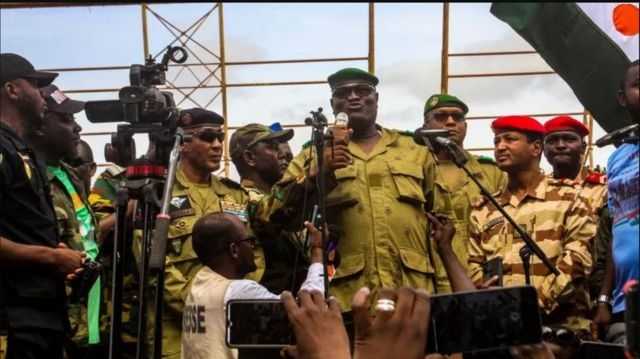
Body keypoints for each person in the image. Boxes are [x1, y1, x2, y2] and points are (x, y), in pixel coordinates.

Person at [256, 68, 438, 315]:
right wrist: (318, 173)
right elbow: (269, 215)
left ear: (376, 99)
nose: (354, 97)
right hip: (344, 299)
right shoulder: (313, 154)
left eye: (363, 91)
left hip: (411, 296)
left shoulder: (414, 152)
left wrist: (448, 296)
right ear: (333, 104)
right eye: (343, 93)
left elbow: (440, 227)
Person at [467, 116, 596, 338]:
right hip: (502, 331)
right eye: (497, 141)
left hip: (560, 332)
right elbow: (474, 265)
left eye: (510, 139)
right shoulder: (484, 209)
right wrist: (497, 308)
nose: (500, 146)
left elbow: (576, 262)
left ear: (536, 148)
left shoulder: (570, 198)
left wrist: (529, 307)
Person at [136, 108, 249, 359]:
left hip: (232, 321)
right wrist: (202, 301)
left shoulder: (234, 195)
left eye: (220, 137)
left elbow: (254, 252)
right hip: (179, 327)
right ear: (183, 144)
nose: (218, 145)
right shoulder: (158, 194)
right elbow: (151, 260)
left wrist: (241, 298)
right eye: (208, 137)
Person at [0, 53, 85, 359]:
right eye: (36, 86)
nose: (43, 97)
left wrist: (54, 249)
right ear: (12, 90)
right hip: (13, 322)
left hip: (40, 319)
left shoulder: (22, 152)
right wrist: (50, 256)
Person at [26, 84, 107, 358]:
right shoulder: (25, 178)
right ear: (38, 125)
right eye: (65, 119)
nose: (77, 128)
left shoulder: (69, 176)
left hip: (89, 319)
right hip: (51, 324)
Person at [180, 213, 325, 359]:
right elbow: (308, 311)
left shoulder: (199, 283)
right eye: (249, 241)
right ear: (234, 250)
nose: (253, 247)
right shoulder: (238, 291)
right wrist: (317, 253)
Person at [422, 93, 506, 293]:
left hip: (481, 280)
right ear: (425, 126)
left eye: (457, 118)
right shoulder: (413, 170)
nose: (450, 122)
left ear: (465, 127)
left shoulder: (491, 172)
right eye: (441, 117)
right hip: (431, 279)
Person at [229, 123, 310, 294]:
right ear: (250, 158)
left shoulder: (281, 197)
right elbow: (270, 210)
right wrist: (308, 165)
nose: (283, 155)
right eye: (273, 148)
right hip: (265, 303)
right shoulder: (241, 199)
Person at [595, 59, 640, 345]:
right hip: (625, 302)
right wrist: (604, 299)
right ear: (622, 98)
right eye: (638, 85)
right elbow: (617, 227)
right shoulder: (616, 158)